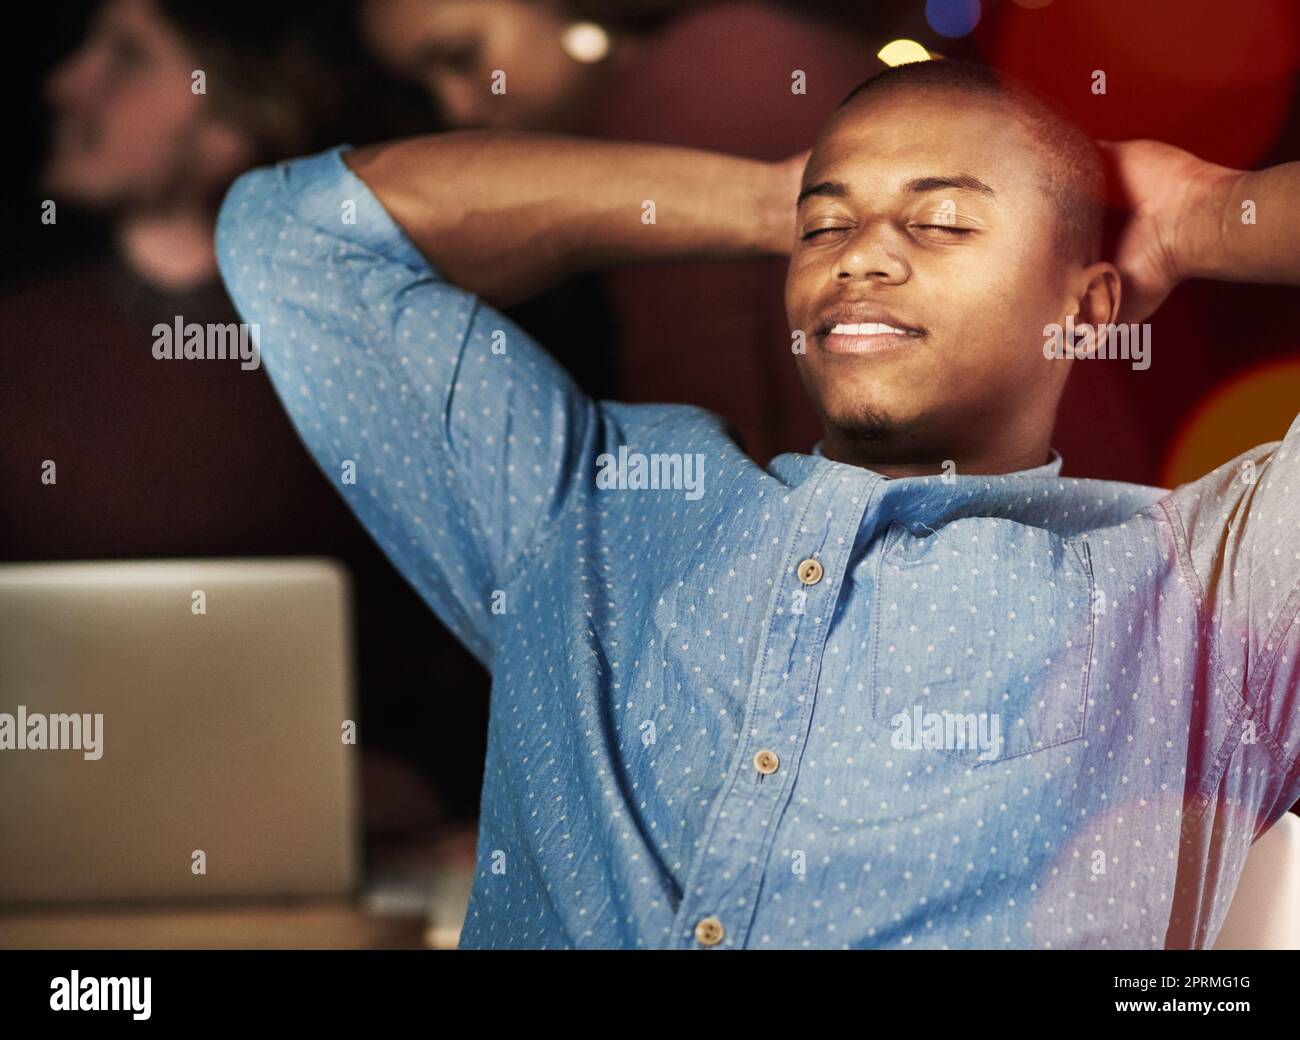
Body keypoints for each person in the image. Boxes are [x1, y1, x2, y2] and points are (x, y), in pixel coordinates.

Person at [213, 58, 1300, 949]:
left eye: (942, 223)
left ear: (1089, 306)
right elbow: (294, 237)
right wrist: (764, 197)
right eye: (824, 230)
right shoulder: (584, 509)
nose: (863, 254)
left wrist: (1207, 218)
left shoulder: (1207, 591)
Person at [2, 0, 482, 858]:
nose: (67, 82)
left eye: (125, 55)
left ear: (229, 109)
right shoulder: (21, 342)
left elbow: (471, 629)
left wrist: (410, 785)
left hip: (324, 857)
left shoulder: (371, 342)